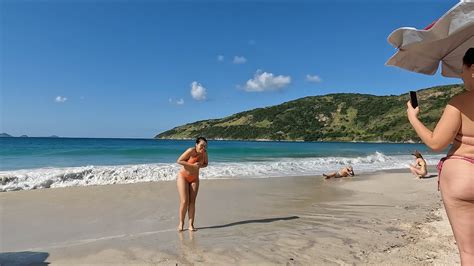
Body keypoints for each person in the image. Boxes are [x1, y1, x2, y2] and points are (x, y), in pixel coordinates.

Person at [406, 48, 474, 265]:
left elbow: (436, 143)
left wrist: (413, 118)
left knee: (469, 252)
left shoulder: (460, 102)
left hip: (463, 176)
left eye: (461, 69)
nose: (460, 75)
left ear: (472, 68)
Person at [176, 137, 208, 232]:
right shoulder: (191, 151)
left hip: (194, 179)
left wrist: (200, 165)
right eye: (201, 145)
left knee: (192, 202)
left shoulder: (204, 153)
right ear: (196, 144)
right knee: (184, 201)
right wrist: (192, 165)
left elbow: (206, 163)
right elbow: (179, 161)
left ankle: (191, 225)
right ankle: (181, 223)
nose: (203, 148)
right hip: (183, 177)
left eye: (205, 146)